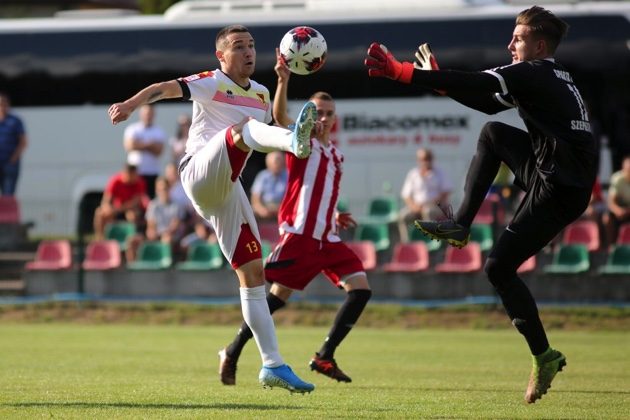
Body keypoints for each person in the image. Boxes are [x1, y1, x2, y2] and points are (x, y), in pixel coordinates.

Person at [365, 6, 597, 403]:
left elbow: (475, 81)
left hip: (559, 188)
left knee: (497, 267)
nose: (510, 44)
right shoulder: (551, 74)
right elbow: (489, 102)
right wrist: (442, 85)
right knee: (492, 133)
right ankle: (461, 224)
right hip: (558, 175)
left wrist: (404, 73)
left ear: (539, 46)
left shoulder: (533, 71)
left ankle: (545, 356)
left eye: (518, 38)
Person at [107, 24, 317, 393]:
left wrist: (283, 82)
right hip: (198, 174)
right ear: (221, 56)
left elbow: (274, 128)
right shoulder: (211, 81)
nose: (248, 52)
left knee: (253, 275)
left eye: (251, 45)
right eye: (238, 46)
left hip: (227, 187)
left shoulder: (262, 92)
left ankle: (272, 365)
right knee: (244, 130)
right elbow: (163, 88)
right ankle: (295, 145)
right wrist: (129, 104)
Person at [219, 49, 371, 386]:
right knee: (267, 295)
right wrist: (283, 80)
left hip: (327, 238)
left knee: (360, 290)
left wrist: (335, 214)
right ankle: (232, 350)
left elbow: (320, 191)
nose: (324, 117)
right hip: (299, 237)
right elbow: (279, 115)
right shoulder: (299, 142)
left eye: (329, 113)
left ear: (335, 119)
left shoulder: (336, 154)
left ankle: (325, 356)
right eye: (317, 112)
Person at [126, 177, 186, 262]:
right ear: (157, 191)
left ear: (169, 189)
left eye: (165, 189)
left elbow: (174, 227)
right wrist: (153, 233)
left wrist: (162, 234)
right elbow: (151, 225)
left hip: (172, 237)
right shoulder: (153, 205)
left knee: (167, 239)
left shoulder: (177, 205)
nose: (163, 192)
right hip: (156, 236)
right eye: (160, 190)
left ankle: (165, 270)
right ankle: (132, 268)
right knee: (132, 241)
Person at [398, 147, 452, 242]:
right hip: (416, 207)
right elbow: (406, 195)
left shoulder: (439, 173)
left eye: (427, 158)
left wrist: (432, 203)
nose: (425, 162)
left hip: (435, 207)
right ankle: (407, 244)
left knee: (428, 212)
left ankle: (431, 243)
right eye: (422, 159)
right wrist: (413, 206)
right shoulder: (413, 174)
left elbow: (446, 192)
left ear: (432, 159)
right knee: (403, 216)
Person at [123, 104, 167, 199]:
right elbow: (129, 146)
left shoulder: (159, 131)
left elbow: (158, 151)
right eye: (146, 113)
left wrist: (139, 144)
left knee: (149, 200)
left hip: (152, 173)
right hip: (135, 174)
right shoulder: (132, 129)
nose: (148, 116)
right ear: (141, 114)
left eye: (150, 113)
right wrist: (150, 144)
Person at [93, 163, 147, 240]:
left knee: (132, 216)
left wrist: (118, 209)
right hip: (117, 208)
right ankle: (101, 239)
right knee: (100, 213)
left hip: (130, 209)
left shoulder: (139, 182)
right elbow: (106, 200)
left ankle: (130, 241)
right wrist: (107, 208)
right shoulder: (115, 180)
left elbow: (135, 202)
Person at [0, 92, 28, 196]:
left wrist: (13, 159)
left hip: (9, 164)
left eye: (4, 103)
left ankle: (5, 213)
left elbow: (23, 142)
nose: (2, 106)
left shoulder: (15, 121)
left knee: (8, 195)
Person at [251, 150, 288, 223]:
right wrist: (261, 210)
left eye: (279, 161)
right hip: (265, 206)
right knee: (250, 212)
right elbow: (255, 198)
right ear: (268, 163)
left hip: (282, 207)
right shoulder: (262, 176)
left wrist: (282, 209)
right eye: (275, 162)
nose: (277, 164)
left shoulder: (288, 175)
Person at [603, 155, 630, 244]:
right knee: (607, 219)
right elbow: (611, 201)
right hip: (621, 208)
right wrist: (618, 210)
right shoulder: (617, 178)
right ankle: (611, 246)